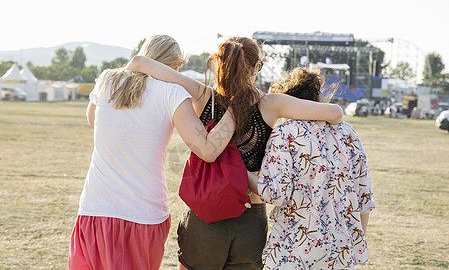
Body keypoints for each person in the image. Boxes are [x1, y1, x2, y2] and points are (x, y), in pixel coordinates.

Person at [127, 37, 344, 269]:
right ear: (254, 67)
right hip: (249, 217)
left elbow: (140, 62)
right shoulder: (270, 104)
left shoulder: (203, 96)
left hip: (205, 215)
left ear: (220, 66)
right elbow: (335, 113)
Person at [68, 35, 236, 270]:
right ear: (174, 66)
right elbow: (207, 150)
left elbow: (93, 119)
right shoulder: (173, 92)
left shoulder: (107, 80)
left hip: (94, 209)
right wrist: (236, 112)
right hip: (143, 213)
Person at [248, 67, 376, 269]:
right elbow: (364, 197)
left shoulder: (285, 133)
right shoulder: (348, 132)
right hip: (340, 253)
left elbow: (275, 194)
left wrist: (242, 173)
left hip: (292, 251)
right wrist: (354, 246)